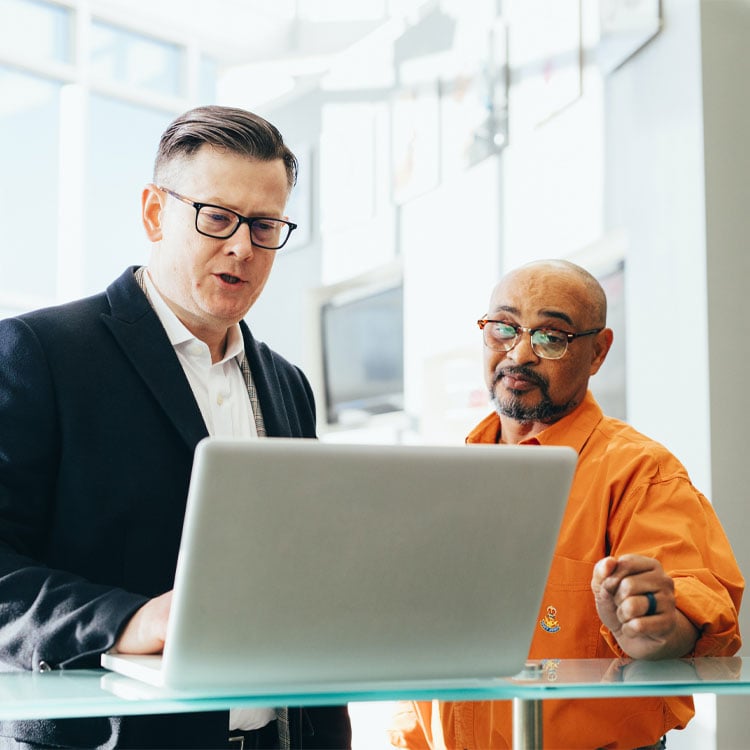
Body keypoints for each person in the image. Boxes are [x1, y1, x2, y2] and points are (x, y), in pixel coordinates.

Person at [0, 105, 351, 749]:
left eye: (265, 225)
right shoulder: (39, 353)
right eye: (216, 217)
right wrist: (129, 620)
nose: (243, 246)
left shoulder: (288, 384)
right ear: (155, 213)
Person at [388, 259, 743, 750]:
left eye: (551, 336)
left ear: (597, 352)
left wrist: (655, 628)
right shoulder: (450, 477)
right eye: (503, 329)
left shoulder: (641, 473)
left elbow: (692, 611)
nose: (520, 354)